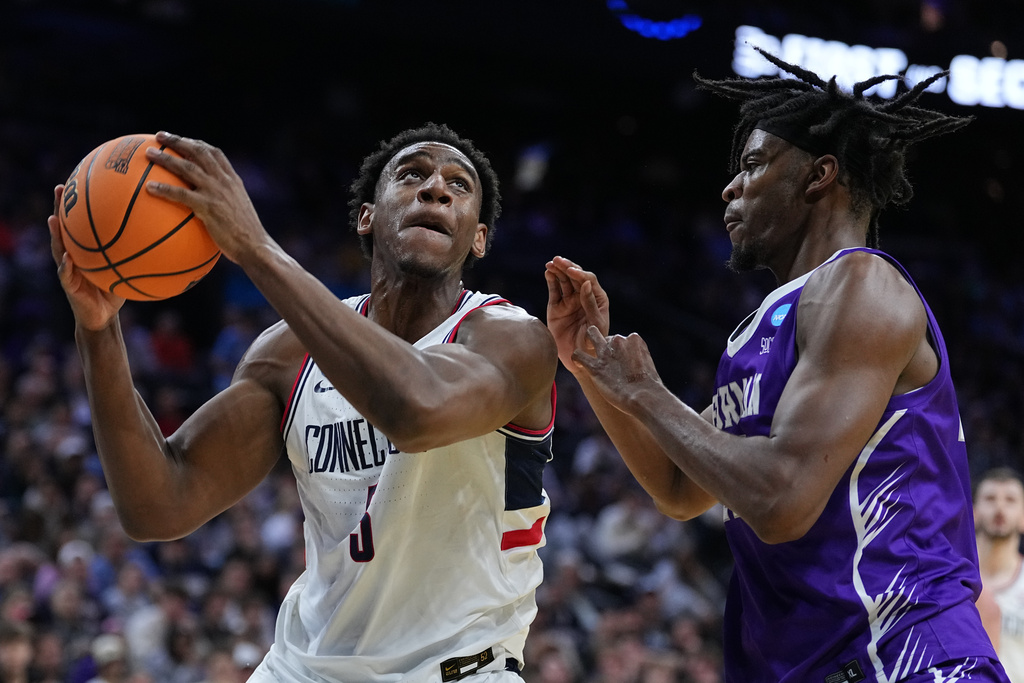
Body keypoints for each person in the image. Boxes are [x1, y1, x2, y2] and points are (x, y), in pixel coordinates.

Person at [545, 49, 1006, 682]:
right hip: (815, 659)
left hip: (901, 653)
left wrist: (646, 391)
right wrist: (592, 369)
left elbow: (783, 498)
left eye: (754, 165)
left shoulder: (861, 287)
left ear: (819, 175)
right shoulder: (763, 327)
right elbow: (682, 488)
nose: (731, 186)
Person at [47, 122, 558, 682]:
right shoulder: (288, 354)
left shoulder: (511, 338)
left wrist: (256, 248)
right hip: (301, 667)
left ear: (478, 238)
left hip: (456, 670)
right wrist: (99, 332)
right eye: (412, 175)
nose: (435, 188)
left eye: (458, 186)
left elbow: (415, 410)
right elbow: (159, 505)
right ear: (368, 216)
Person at [975, 467, 1024, 679]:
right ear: (973, 512)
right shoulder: (948, 577)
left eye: (1010, 500)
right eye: (990, 498)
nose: (1000, 507)